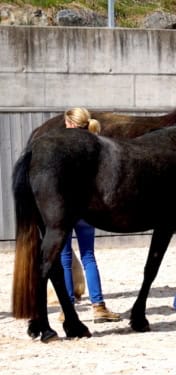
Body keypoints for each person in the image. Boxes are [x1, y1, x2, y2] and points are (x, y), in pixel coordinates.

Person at [60, 107, 121, 323]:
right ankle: (98, 306)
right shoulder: (96, 144)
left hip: (65, 208)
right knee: (88, 257)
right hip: (87, 208)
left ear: (70, 123)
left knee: (64, 258)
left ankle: (66, 308)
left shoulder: (62, 146)